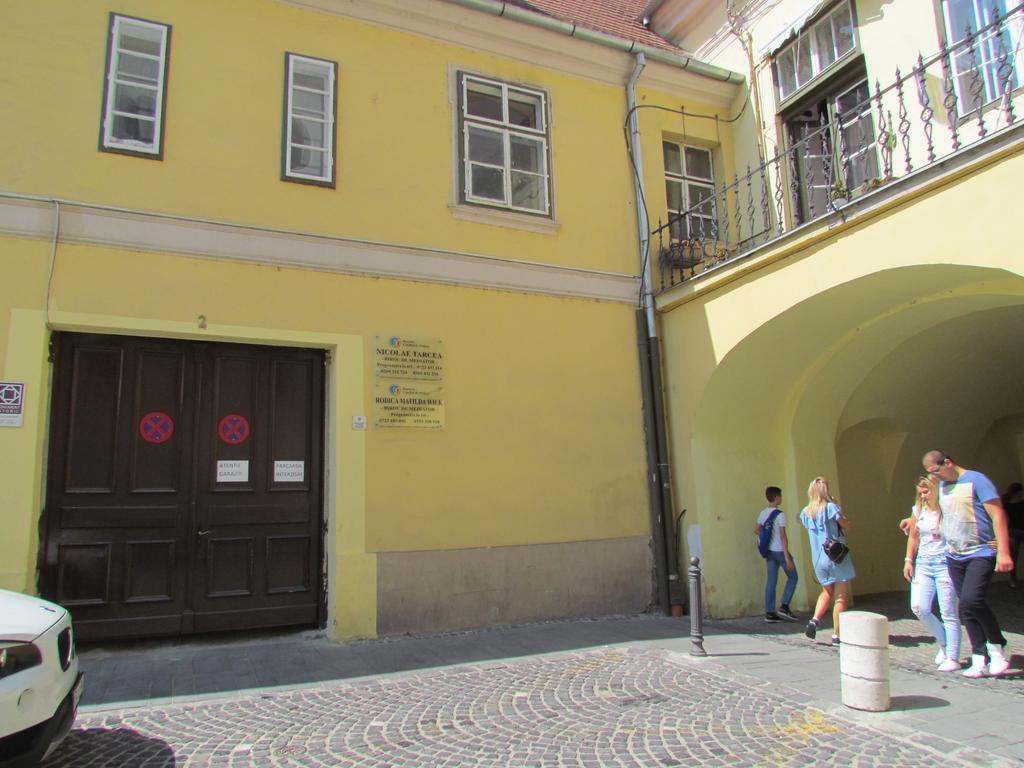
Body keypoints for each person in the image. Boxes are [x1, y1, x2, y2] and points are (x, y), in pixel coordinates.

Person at [922, 450, 1014, 677]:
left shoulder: (977, 481)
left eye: (936, 472)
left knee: (973, 600)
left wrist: (1003, 551)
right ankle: (979, 657)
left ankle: (998, 645)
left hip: (980, 551)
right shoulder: (943, 486)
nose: (936, 478)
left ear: (948, 462)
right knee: (966, 606)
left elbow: (998, 515)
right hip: (954, 554)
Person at [903, 475, 961, 672]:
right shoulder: (918, 510)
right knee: (919, 607)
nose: (923, 496)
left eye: (926, 492)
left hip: (945, 563)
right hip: (924, 564)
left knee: (948, 611)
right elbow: (913, 535)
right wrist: (908, 560)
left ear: (935, 491)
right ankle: (944, 642)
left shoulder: (946, 510)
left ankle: (952, 655)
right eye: (920, 493)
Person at [799, 477, 855, 644]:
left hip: (819, 559)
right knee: (840, 598)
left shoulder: (805, 512)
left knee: (826, 592)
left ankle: (814, 620)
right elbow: (846, 525)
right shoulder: (830, 508)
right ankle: (837, 635)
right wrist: (836, 506)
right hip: (836, 557)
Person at [756, 486, 799, 622]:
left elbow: (756, 530)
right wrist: (787, 557)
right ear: (776, 498)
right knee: (793, 576)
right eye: (780, 496)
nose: (781, 498)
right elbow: (783, 536)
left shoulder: (763, 513)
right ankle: (784, 606)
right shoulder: (780, 514)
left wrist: (766, 538)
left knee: (771, 581)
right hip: (780, 551)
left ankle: (769, 612)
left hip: (769, 551)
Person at [1000, 482, 1024, 588]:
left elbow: (1005, 519)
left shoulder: (1006, 503)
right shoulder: (1021, 503)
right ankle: (1012, 580)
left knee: (1013, 558)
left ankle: (1013, 580)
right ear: (1019, 492)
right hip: (1018, 531)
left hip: (1011, 532)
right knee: (1013, 557)